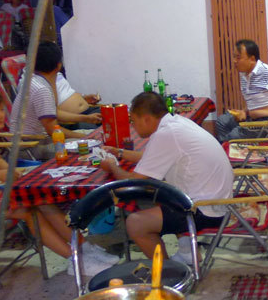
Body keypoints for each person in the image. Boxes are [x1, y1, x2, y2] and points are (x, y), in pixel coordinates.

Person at [0, 88, 117, 277]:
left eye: (1, 110)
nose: (1, 116)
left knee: (40, 199)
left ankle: (85, 248)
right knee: (26, 209)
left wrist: (13, 173)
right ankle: (75, 261)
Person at [99, 91, 234, 260]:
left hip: (207, 209)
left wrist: (112, 166)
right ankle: (188, 253)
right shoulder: (177, 123)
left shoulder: (166, 134)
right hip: (219, 200)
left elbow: (130, 183)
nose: (133, 126)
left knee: (135, 223)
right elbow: (151, 159)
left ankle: (165, 272)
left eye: (133, 121)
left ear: (147, 118)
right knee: (160, 192)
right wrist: (119, 152)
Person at [9, 41, 89, 158]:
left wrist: (87, 119)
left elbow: (53, 112)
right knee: (88, 146)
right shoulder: (41, 88)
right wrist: (84, 137)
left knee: (92, 136)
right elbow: (53, 130)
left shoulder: (36, 80)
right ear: (58, 65)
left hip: (40, 139)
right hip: (30, 146)